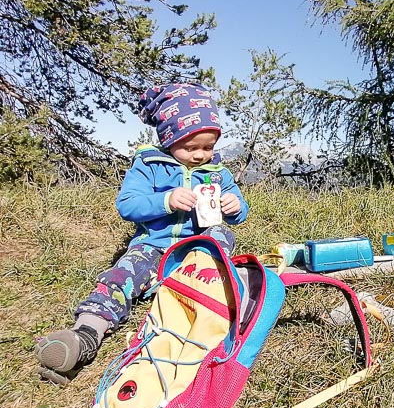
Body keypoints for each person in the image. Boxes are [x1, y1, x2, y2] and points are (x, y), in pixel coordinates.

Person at [35, 82, 249, 383]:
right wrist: (166, 200)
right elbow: (128, 205)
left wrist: (234, 205)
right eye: (191, 147)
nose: (201, 155)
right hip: (154, 247)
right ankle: (85, 336)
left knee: (220, 232)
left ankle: (222, 301)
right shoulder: (149, 164)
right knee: (122, 276)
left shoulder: (218, 174)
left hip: (198, 250)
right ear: (169, 137)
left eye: (209, 147)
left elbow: (241, 213)